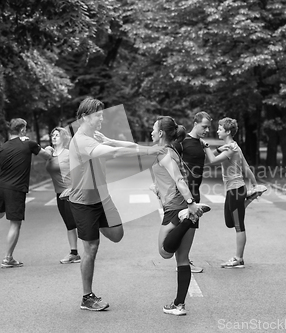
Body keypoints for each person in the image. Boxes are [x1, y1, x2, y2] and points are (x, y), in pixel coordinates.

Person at [68, 97, 164, 312]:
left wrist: (148, 148)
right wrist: (148, 152)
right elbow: (114, 152)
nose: (102, 117)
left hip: (102, 198)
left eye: (103, 113)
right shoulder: (82, 141)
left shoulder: (94, 136)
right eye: (98, 114)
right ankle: (87, 297)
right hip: (83, 202)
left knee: (117, 234)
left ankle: (91, 230)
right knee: (91, 247)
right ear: (85, 117)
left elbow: (118, 145)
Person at [151, 115, 211, 316]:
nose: (151, 132)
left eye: (153, 129)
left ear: (160, 133)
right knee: (182, 258)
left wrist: (190, 204)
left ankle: (187, 219)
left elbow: (177, 178)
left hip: (178, 207)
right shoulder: (173, 151)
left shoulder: (163, 153)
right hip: (186, 206)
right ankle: (179, 305)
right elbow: (171, 178)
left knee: (164, 251)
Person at [0, 118, 53, 268]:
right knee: (15, 224)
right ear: (22, 130)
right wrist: (49, 149)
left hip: (2, 187)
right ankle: (8, 258)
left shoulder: (1, 148)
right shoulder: (29, 144)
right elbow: (46, 156)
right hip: (17, 189)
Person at [203, 117, 267, 269]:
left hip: (236, 190)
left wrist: (205, 146)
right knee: (229, 222)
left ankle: (238, 258)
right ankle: (250, 196)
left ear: (228, 131)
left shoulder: (231, 148)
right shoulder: (233, 146)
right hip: (235, 190)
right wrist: (254, 183)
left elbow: (210, 160)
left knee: (238, 225)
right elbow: (246, 167)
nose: (217, 130)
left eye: (220, 128)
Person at [171, 112, 213, 274]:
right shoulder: (182, 142)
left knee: (190, 227)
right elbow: (168, 161)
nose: (207, 130)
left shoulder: (199, 143)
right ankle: (183, 263)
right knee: (186, 227)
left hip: (195, 190)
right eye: (204, 126)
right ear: (195, 123)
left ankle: (184, 260)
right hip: (185, 193)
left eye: (208, 127)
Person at [45, 127, 81, 264]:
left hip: (71, 192)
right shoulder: (49, 153)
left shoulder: (68, 153)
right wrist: (47, 151)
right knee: (69, 224)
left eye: (57, 135)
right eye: (52, 135)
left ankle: (87, 247)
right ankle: (74, 253)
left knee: (76, 222)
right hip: (60, 194)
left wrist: (73, 188)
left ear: (64, 138)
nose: (54, 137)